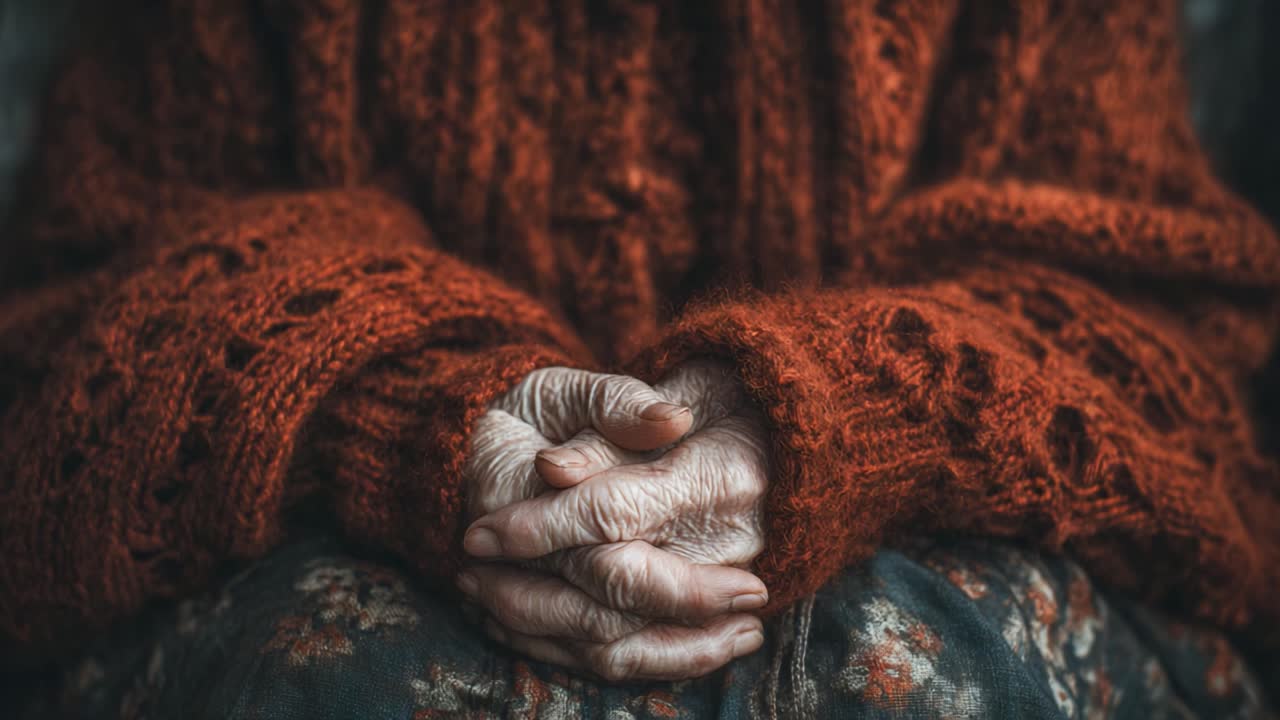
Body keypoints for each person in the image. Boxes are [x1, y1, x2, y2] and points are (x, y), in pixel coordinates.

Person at [1, 0, 1277, 716]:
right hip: (354, 524)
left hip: (918, 521)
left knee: (919, 672)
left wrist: (852, 406)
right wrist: (410, 408)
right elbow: (110, 284)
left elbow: (1151, 311)